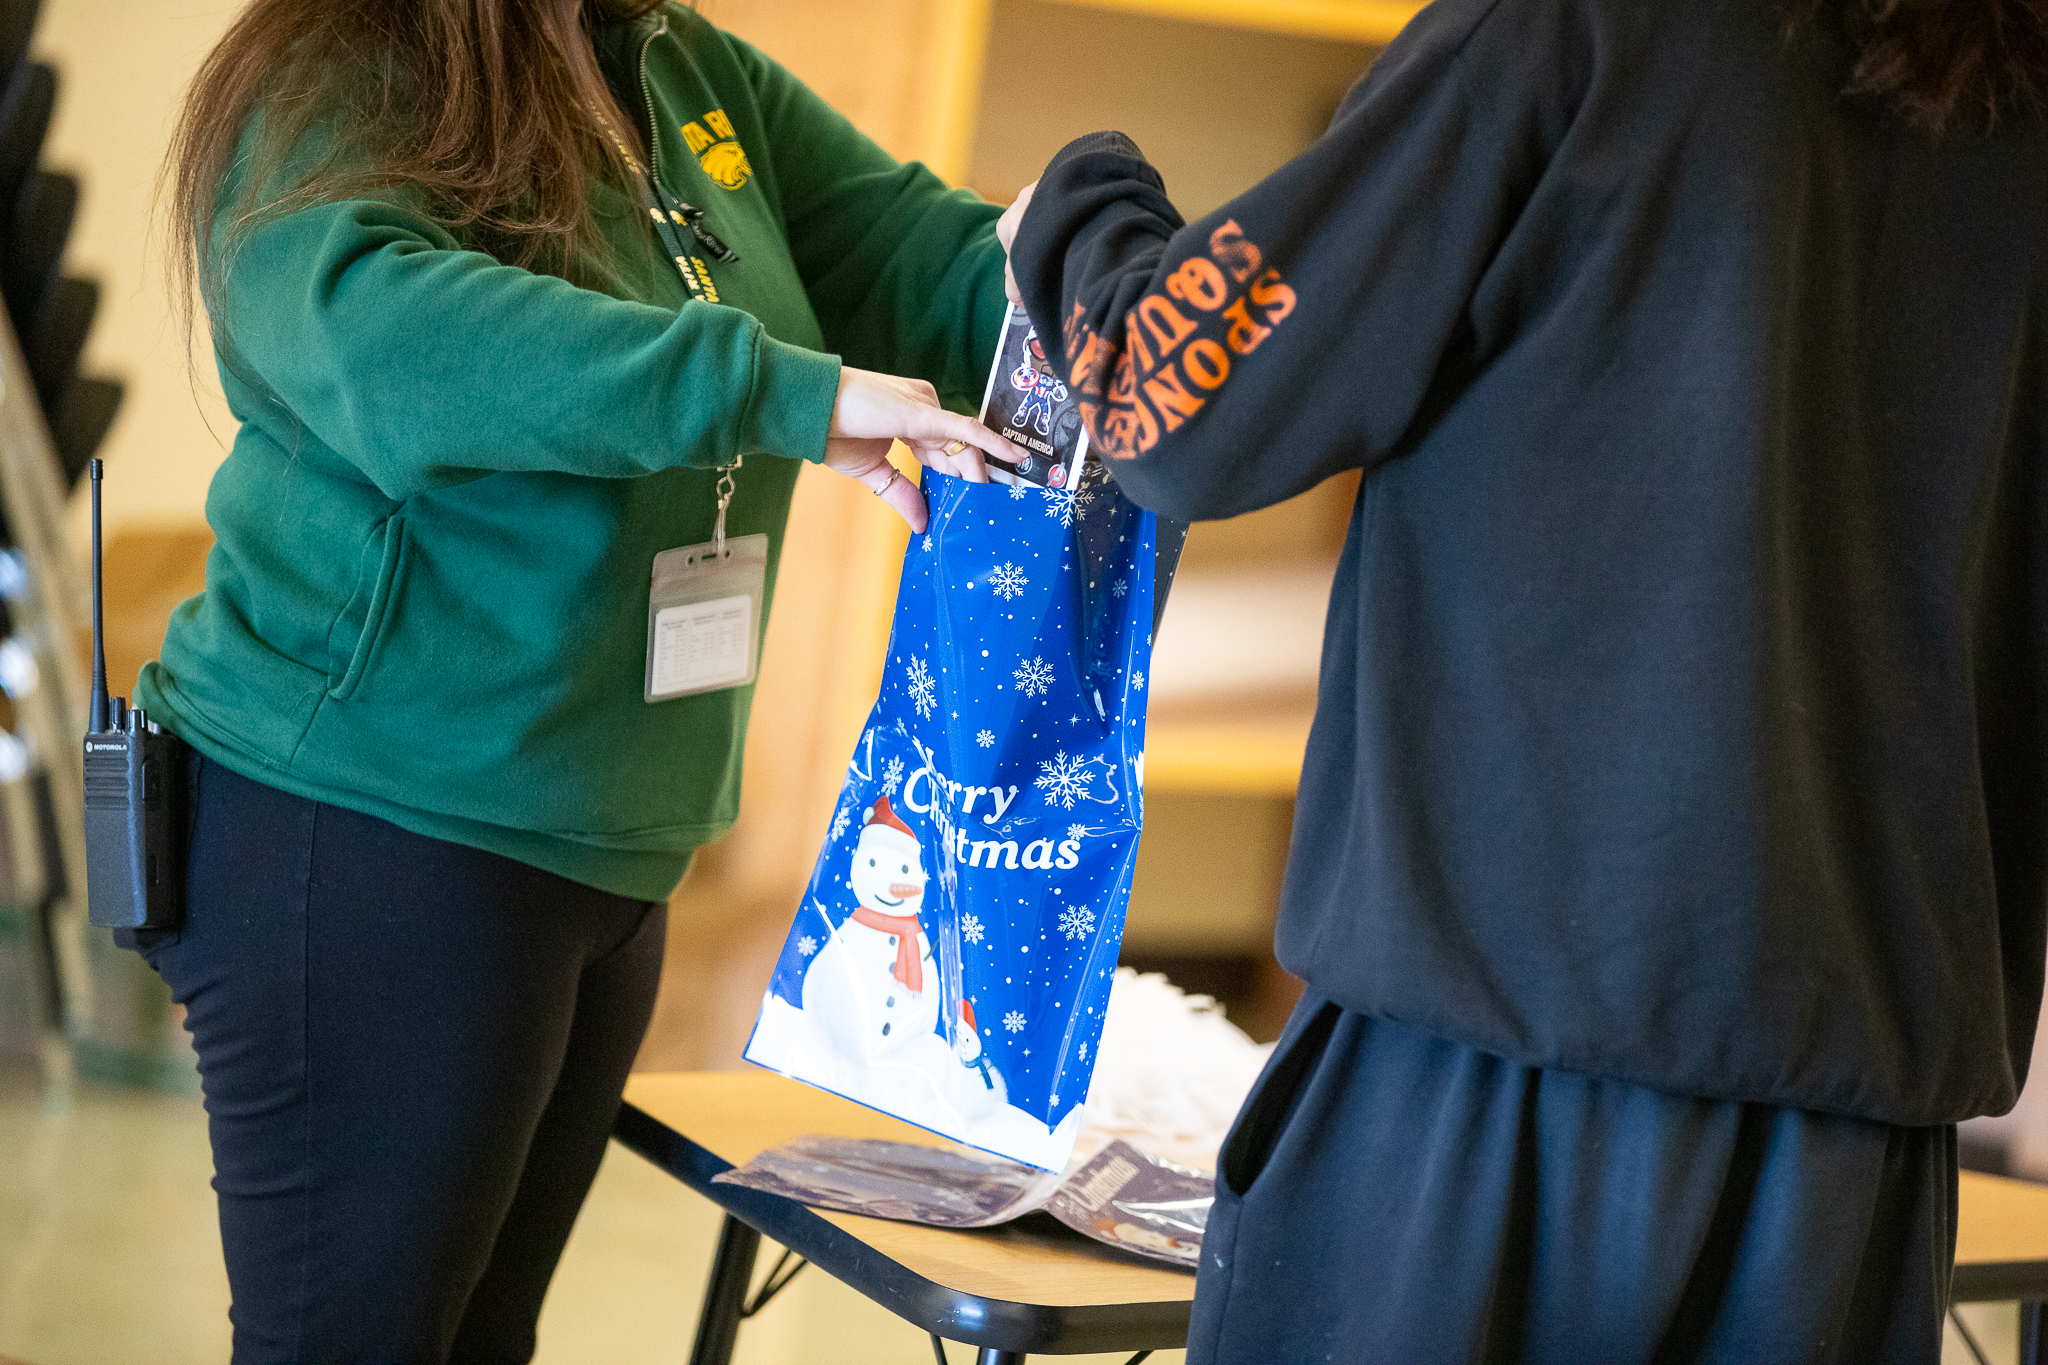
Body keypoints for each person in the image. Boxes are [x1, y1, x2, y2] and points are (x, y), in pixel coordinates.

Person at [1000, 0, 2048, 1359]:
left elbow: (1172, 404)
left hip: (1494, 1084)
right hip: (1859, 1137)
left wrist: (1074, 206)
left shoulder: (1577, 29)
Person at [136, 0, 1014, 1357]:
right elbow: (398, 351)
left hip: (604, 842)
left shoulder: (668, 56)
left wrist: (1068, 253)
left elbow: (920, 256)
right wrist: (771, 387)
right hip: (371, 822)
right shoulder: (335, 70)